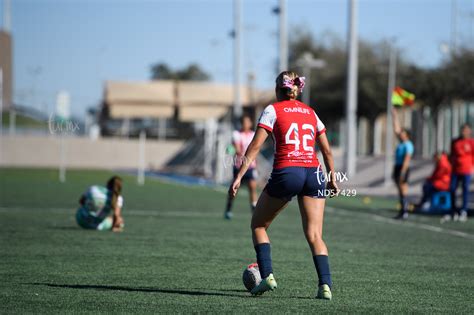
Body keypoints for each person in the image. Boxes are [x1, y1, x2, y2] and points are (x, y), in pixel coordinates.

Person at [228, 71, 339, 300]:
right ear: (297, 90)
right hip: (314, 173)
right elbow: (326, 150)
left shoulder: (273, 110)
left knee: (258, 225)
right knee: (315, 235)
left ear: (278, 90)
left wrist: (239, 175)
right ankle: (325, 286)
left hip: (288, 171)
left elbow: (255, 146)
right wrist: (333, 177)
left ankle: (267, 275)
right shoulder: (311, 112)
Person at [224, 115, 258, 219]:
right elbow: (237, 149)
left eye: (247, 122)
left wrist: (255, 164)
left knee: (252, 187)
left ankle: (254, 210)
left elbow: (256, 150)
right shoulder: (236, 134)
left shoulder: (253, 134)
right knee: (235, 189)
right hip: (239, 166)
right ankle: (228, 209)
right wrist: (245, 154)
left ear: (250, 124)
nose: (245, 124)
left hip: (250, 166)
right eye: (244, 122)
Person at [391, 108, 414, 219]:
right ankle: (402, 210)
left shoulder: (408, 145)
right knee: (400, 190)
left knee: (404, 190)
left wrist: (403, 171)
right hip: (397, 167)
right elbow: (396, 129)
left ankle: (405, 211)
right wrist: (395, 116)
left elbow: (407, 159)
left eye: (403, 134)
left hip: (403, 168)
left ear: (407, 135)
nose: (401, 135)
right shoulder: (401, 143)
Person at [447, 124, 473, 222]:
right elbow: (451, 154)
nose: (464, 132)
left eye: (466, 130)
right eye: (463, 130)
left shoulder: (471, 142)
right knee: (452, 189)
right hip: (455, 170)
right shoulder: (455, 141)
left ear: (469, 132)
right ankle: (453, 210)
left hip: (466, 170)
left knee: (465, 190)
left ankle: (464, 211)